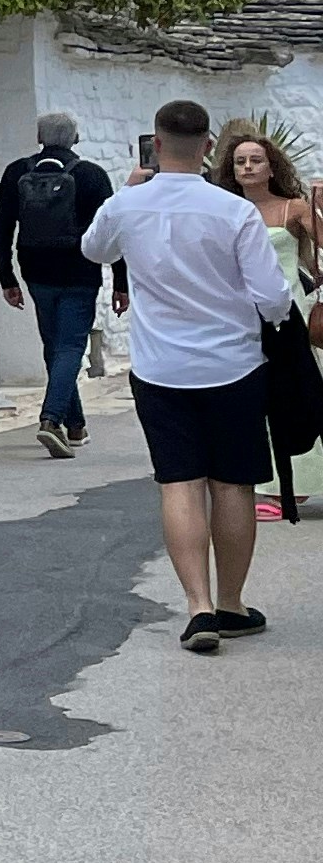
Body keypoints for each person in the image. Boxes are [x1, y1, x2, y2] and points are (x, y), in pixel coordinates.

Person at [83, 98, 294, 652]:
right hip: (234, 365)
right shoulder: (234, 211)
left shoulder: (128, 205)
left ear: (155, 145)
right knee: (233, 484)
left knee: (179, 481)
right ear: (209, 148)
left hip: (160, 367)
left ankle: (197, 608)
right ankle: (232, 604)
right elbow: (271, 296)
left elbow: (93, 249)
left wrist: (127, 190)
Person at [0, 108, 122, 459]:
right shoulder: (92, 175)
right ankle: (51, 420)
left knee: (55, 347)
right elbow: (112, 232)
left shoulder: (17, 172)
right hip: (81, 273)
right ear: (75, 139)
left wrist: (7, 277)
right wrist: (121, 283)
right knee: (70, 347)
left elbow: (0, 229)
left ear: (39, 138)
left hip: (36, 272)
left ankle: (75, 425)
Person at [209, 121, 321, 330]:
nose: (247, 166)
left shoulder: (293, 207)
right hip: (240, 309)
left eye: (256, 160)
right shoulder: (223, 212)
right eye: (240, 162)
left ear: (271, 169)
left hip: (288, 304)